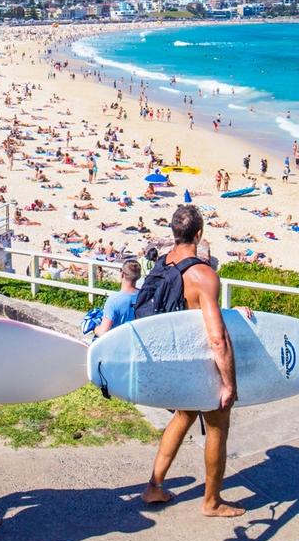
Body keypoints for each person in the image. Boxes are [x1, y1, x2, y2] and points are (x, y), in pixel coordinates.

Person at [141, 205, 250, 517]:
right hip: (200, 363)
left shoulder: (163, 264)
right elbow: (217, 337)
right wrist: (229, 383)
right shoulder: (203, 275)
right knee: (217, 426)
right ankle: (212, 502)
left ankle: (154, 487)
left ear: (174, 233)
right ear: (199, 234)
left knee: (184, 415)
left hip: (173, 359)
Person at [93, 260, 141, 337]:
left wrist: (94, 328)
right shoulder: (144, 296)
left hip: (118, 343)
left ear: (122, 274)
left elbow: (103, 333)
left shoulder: (114, 300)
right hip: (136, 342)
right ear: (139, 276)